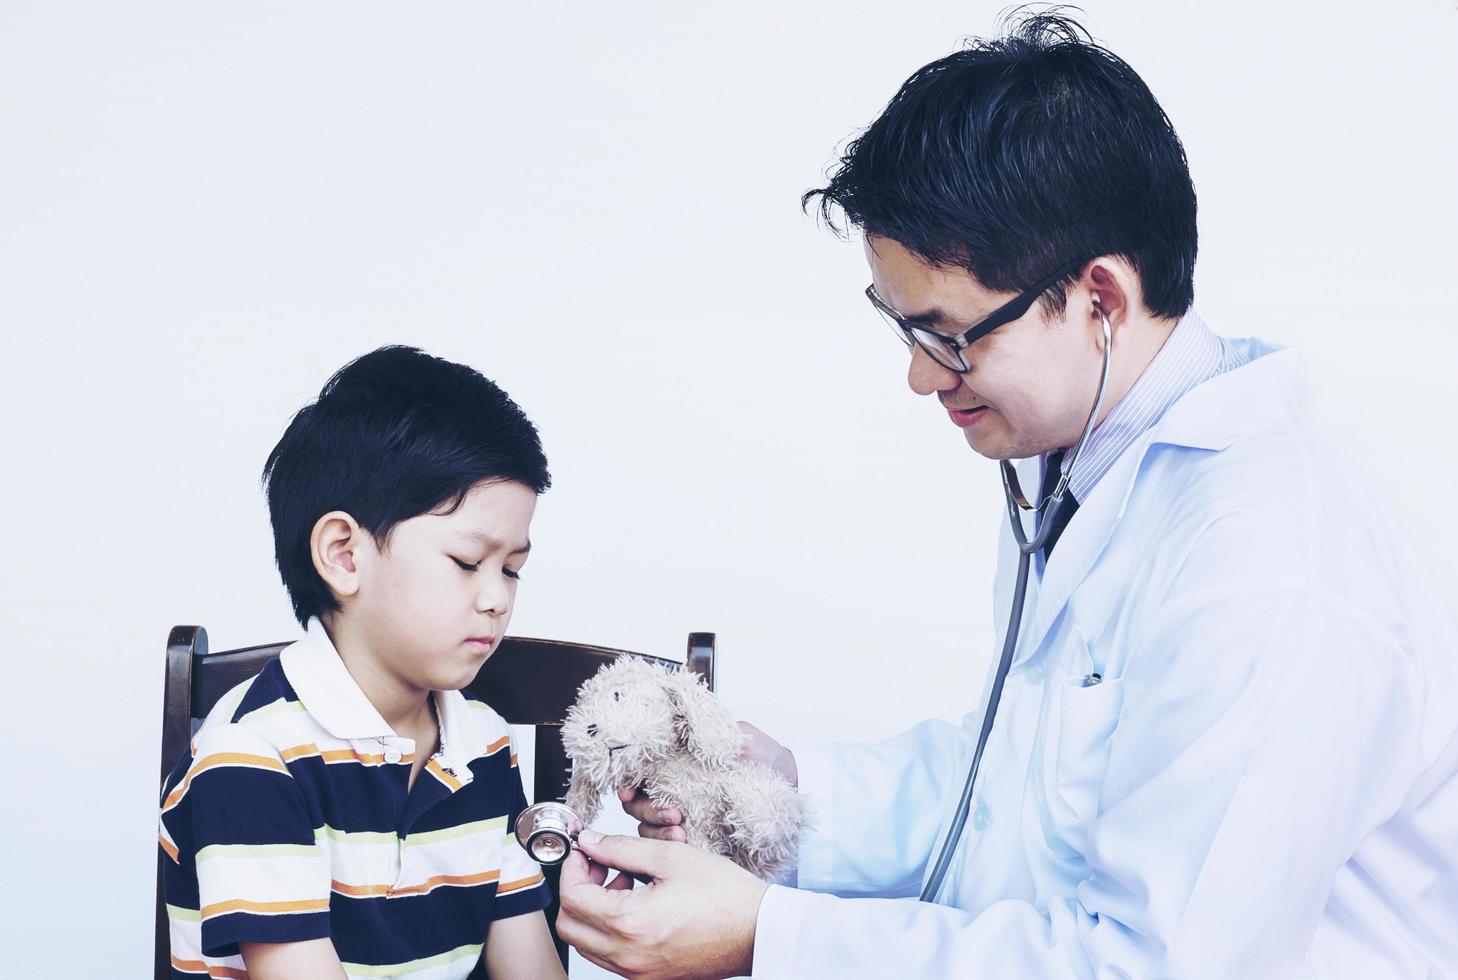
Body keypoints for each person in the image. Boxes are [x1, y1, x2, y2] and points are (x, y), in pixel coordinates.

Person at [554, 13, 1458, 979]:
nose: (919, 375)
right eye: (902, 330)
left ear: (1100, 299)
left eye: (949, 335)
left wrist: (772, 936)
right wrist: (781, 791)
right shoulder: (1075, 463)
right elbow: (1023, 784)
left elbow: (1156, 967)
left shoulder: (1270, 564)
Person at [158, 347, 567, 980]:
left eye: (511, 569)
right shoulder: (252, 755)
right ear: (344, 555)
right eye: (467, 562)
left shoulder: (482, 743)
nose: (497, 598)